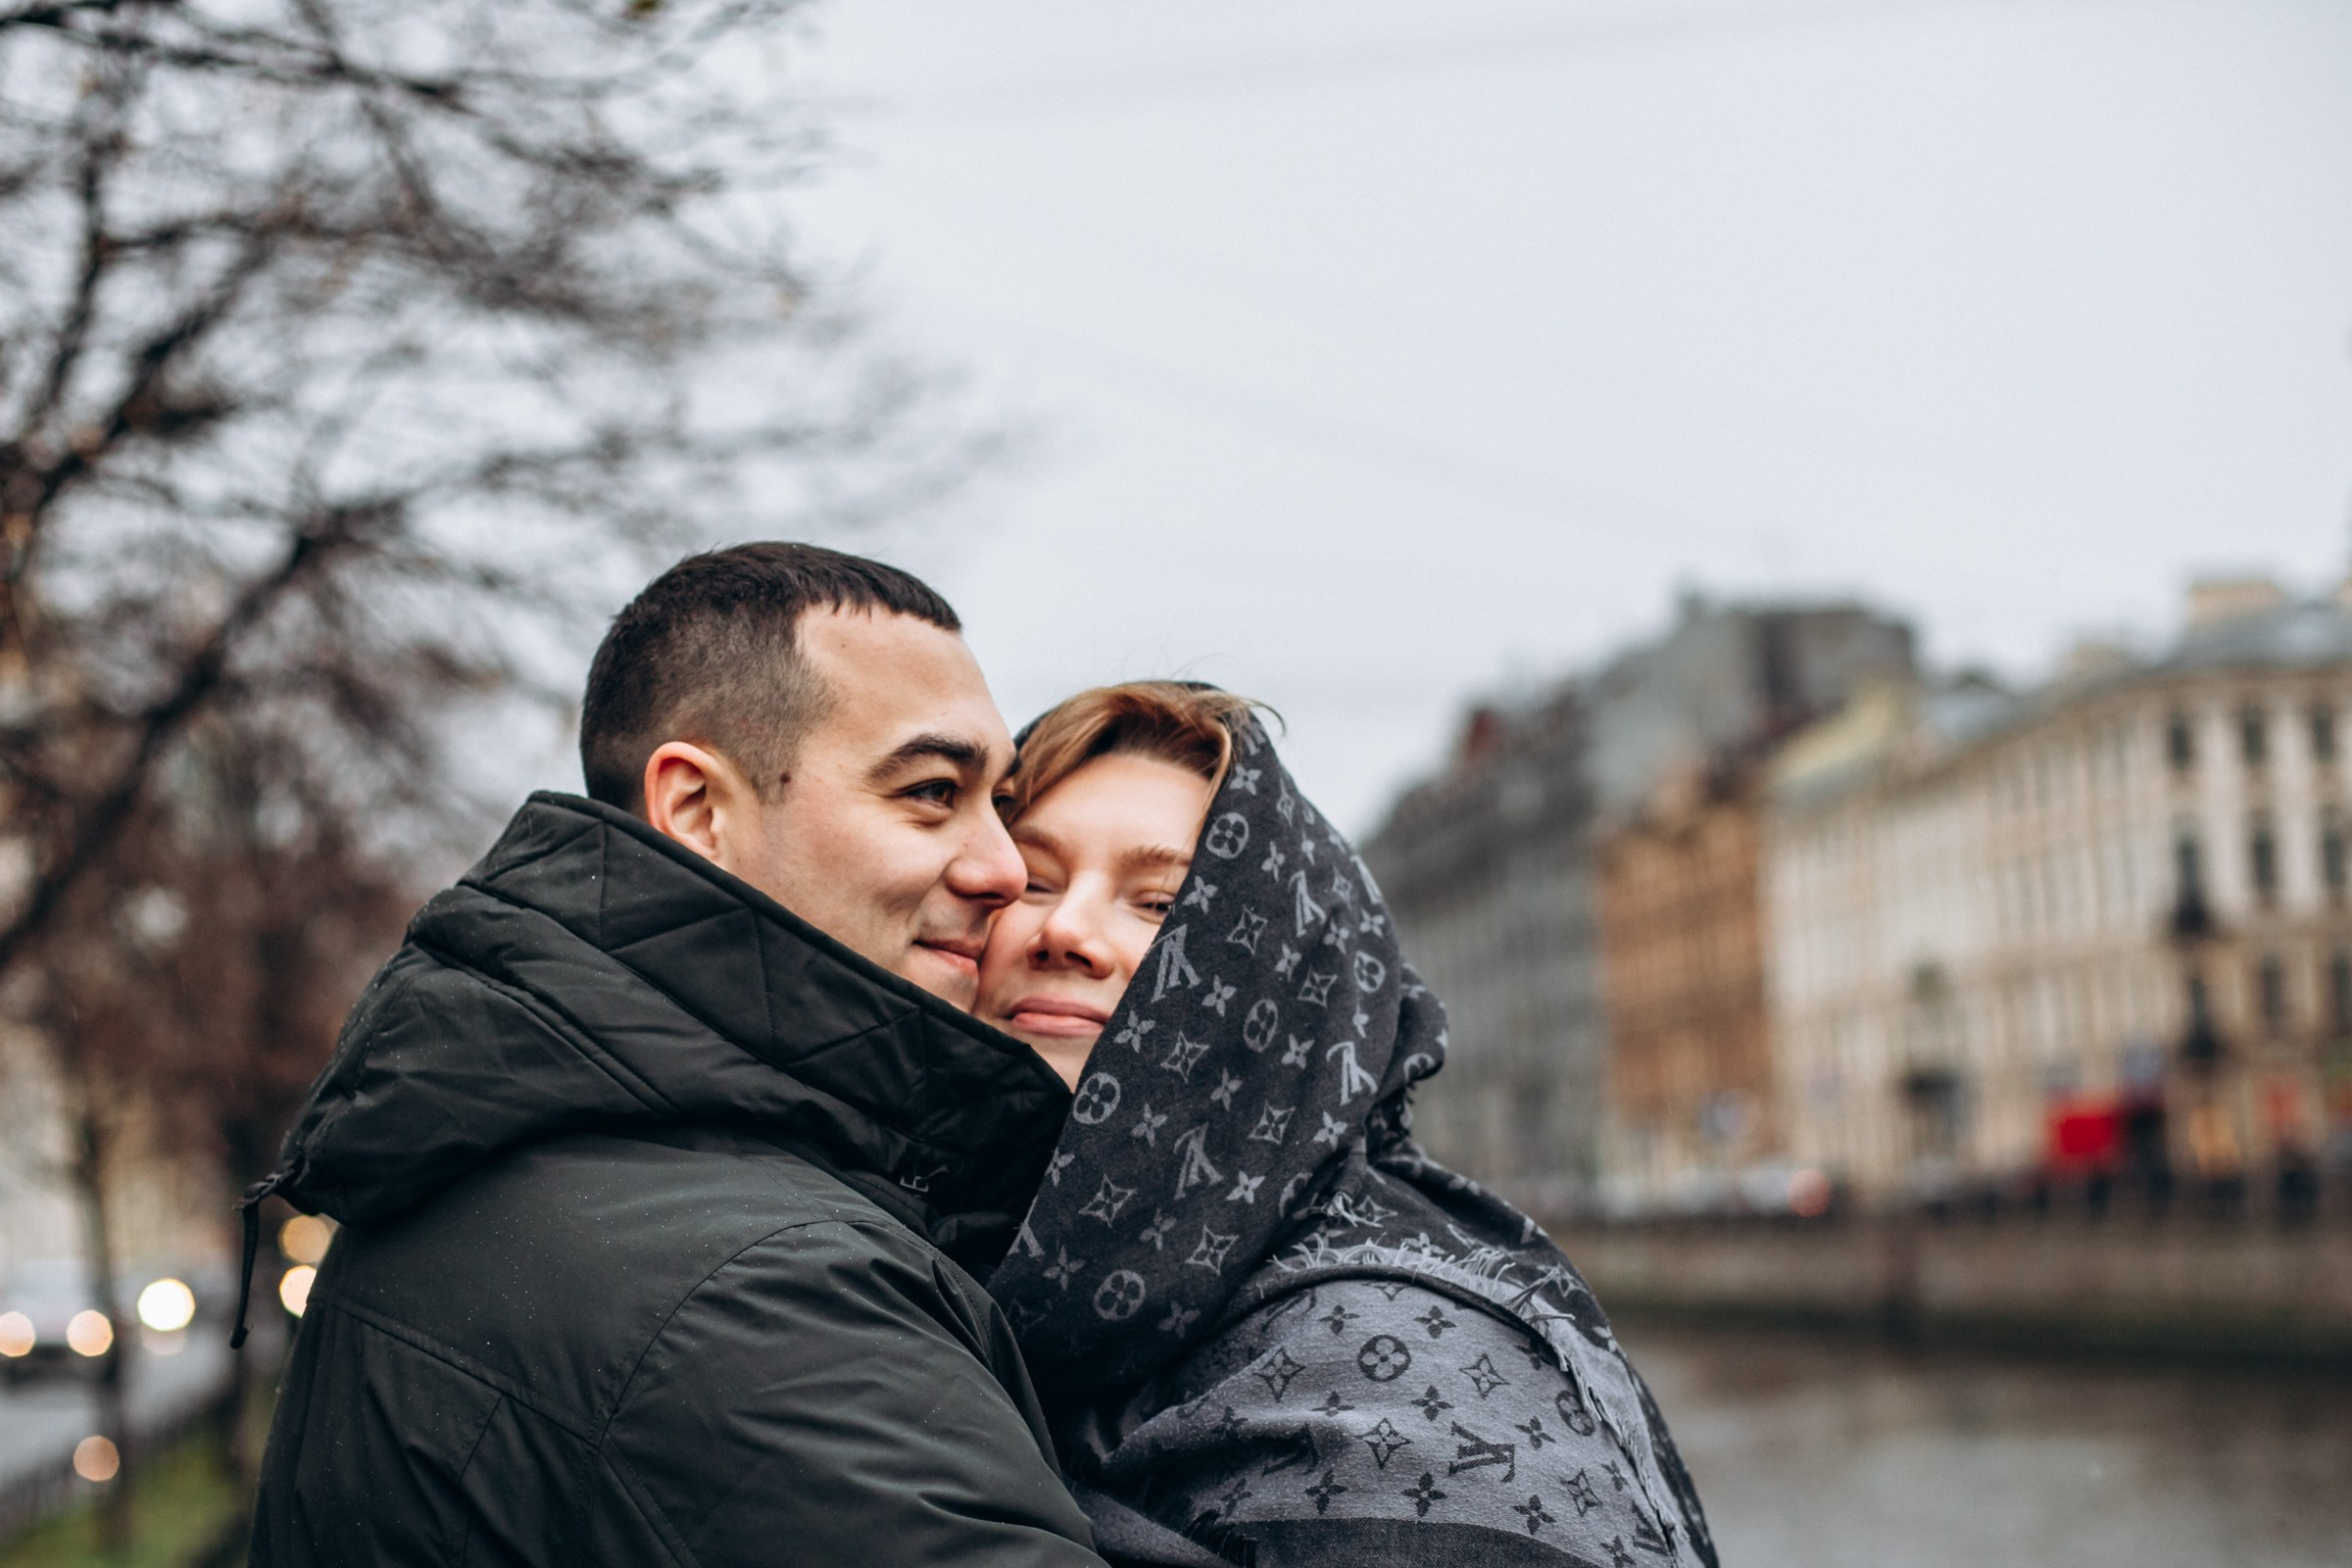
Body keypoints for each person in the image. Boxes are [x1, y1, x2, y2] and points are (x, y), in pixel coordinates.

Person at [247, 545, 1107, 1565]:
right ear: (698, 809)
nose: (1004, 867)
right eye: (929, 791)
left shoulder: (506, 1141)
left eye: (998, 804)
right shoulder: (764, 1293)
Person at [978, 682, 1717, 1568]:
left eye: (1162, 906)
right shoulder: (940, 1281)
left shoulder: (1403, 1372)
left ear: (1283, 987)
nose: (1064, 929)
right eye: (1033, 879)